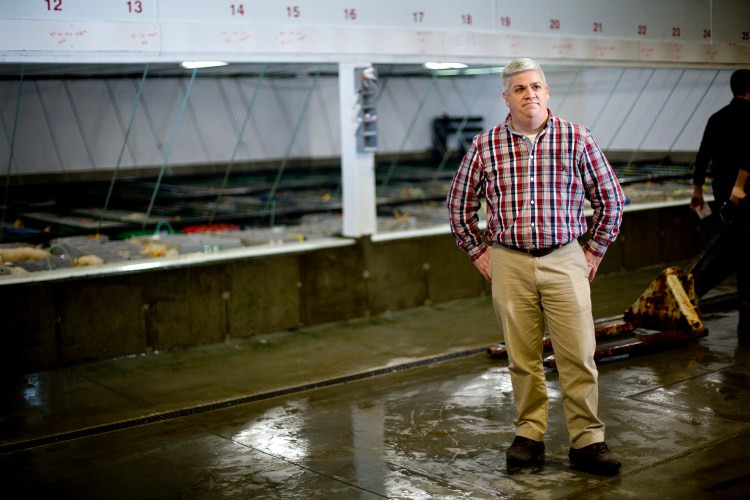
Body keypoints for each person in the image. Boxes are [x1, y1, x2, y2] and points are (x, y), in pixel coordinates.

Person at [446, 58, 625, 475]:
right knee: (522, 357)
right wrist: (479, 252)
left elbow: (611, 200)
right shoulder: (485, 145)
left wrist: (593, 251)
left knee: (578, 354)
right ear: (506, 97)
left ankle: (588, 441)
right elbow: (458, 208)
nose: (530, 94)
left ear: (547, 92)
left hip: (565, 257)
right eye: (520, 89)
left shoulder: (577, 139)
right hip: (509, 260)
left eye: (536, 86)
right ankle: (530, 434)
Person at [689, 68, 750, 336]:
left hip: (722, 194)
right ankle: (695, 288)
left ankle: (695, 289)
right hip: (746, 194)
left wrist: (697, 190)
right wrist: (740, 185)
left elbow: (703, 155)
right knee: (739, 252)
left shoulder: (717, 118)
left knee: (738, 249)